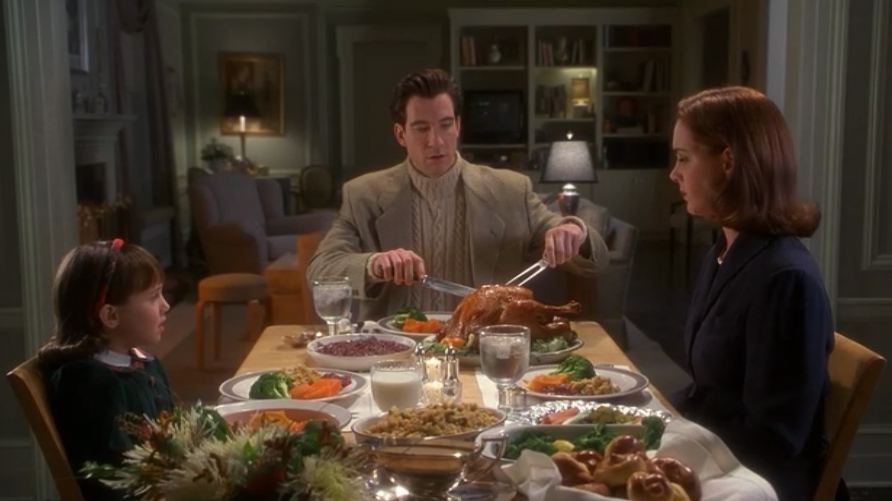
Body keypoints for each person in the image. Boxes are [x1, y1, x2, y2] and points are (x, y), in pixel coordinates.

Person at [307, 68, 609, 319]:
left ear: (458, 126)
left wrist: (574, 231)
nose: (435, 141)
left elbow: (595, 260)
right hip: (399, 351)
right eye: (421, 128)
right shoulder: (363, 195)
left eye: (445, 125)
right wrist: (373, 264)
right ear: (401, 134)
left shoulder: (511, 190)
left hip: (485, 348)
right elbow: (320, 270)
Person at [668, 86, 835, 500]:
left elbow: (774, 440)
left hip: (757, 484)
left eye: (684, 158)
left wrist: (667, 452)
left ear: (728, 161)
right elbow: (707, 395)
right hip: (716, 459)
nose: (674, 174)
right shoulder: (724, 252)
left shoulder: (784, 278)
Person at [39, 239, 173, 500]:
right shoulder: (87, 382)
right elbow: (113, 482)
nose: (166, 306)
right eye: (154, 296)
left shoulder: (147, 363)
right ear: (110, 316)